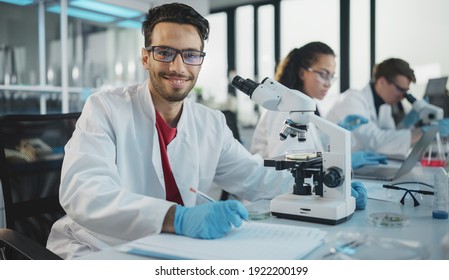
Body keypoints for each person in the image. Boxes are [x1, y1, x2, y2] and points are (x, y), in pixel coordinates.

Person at [46, 3, 296, 259]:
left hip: (172, 248)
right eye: (164, 52)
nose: (178, 67)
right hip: (98, 248)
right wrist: (177, 218)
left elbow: (254, 178)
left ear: (200, 61)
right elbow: (84, 191)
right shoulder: (106, 108)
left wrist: (319, 182)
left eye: (191, 54)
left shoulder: (211, 123)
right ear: (145, 57)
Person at [250, 42, 387, 169]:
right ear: (302, 73)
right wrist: (341, 163)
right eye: (323, 74)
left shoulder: (305, 106)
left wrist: (335, 132)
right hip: (270, 192)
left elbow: (308, 147)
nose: (328, 83)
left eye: (332, 76)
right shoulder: (285, 109)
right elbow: (286, 166)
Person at [326, 58, 449, 157]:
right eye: (400, 89)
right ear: (382, 82)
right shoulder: (353, 99)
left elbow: (390, 137)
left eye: (406, 92)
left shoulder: (384, 106)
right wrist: (426, 131)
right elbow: (377, 141)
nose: (402, 96)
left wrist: (406, 125)